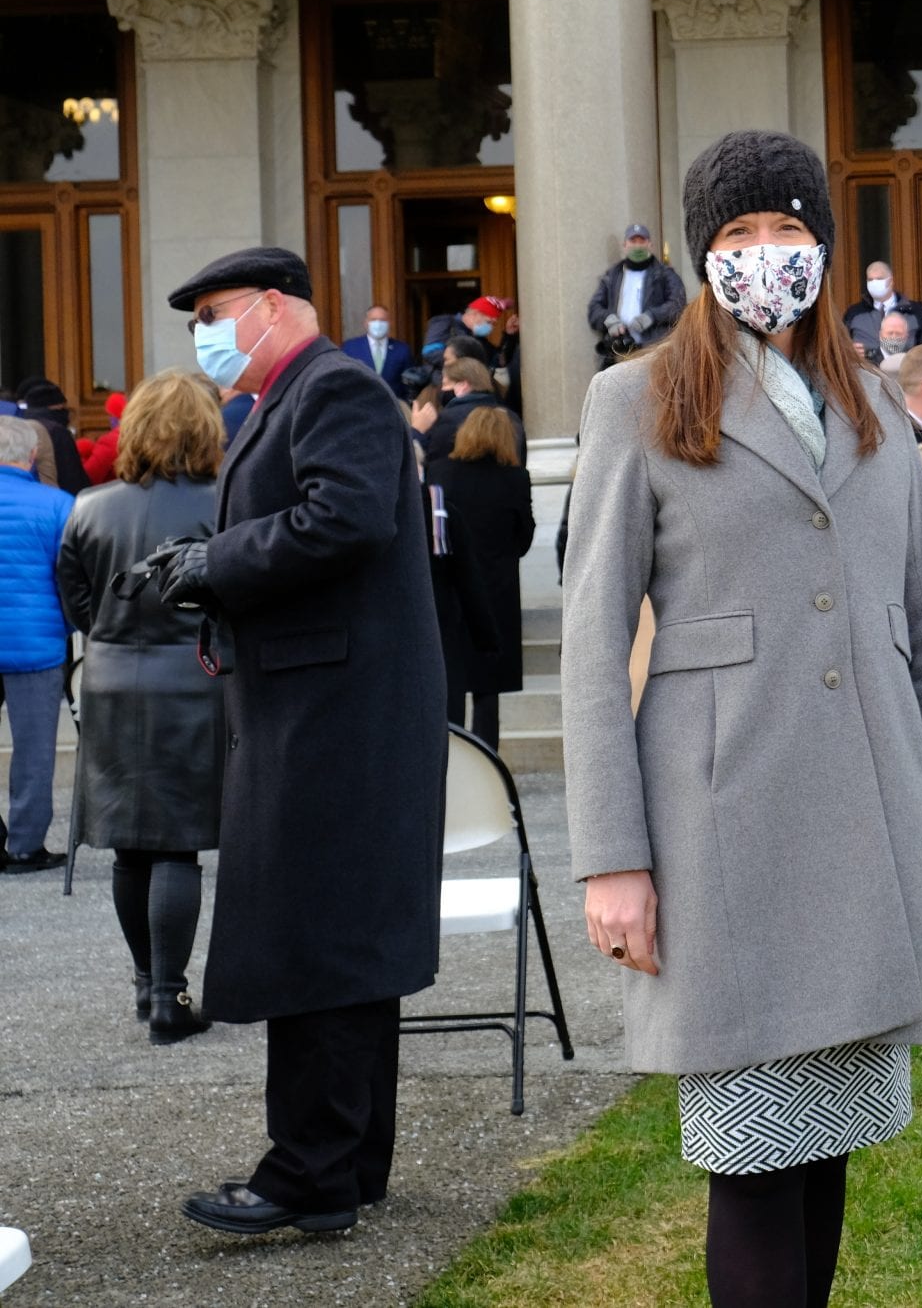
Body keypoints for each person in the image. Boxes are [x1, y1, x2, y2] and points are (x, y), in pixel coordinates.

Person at [562, 131, 922, 1308]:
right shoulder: (632, 398)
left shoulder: (877, 406)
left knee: (828, 1134)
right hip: (723, 817)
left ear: (825, 252)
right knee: (752, 1155)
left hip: (870, 809)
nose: (766, 256)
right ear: (703, 254)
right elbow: (594, 651)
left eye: (788, 232)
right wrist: (613, 858)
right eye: (739, 236)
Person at [148, 245, 444, 1237]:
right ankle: (347, 1167)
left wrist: (212, 562)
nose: (205, 334)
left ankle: (308, 1172)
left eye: (217, 312)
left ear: (275, 306)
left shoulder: (332, 388)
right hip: (322, 709)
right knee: (341, 944)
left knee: (317, 942)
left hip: (334, 717)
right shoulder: (294, 398)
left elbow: (344, 518)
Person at [53, 370, 226, 1037]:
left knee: (130, 847)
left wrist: (115, 634)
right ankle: (170, 997)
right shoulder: (225, 503)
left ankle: (147, 984)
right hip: (193, 680)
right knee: (178, 847)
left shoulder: (90, 506)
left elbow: (80, 601)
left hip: (111, 682)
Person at [428, 406, 536, 753]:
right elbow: (525, 538)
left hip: (452, 591)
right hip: (497, 591)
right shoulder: (515, 478)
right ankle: (487, 761)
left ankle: (455, 763)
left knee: (453, 684)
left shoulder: (440, 472)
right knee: (489, 690)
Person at [0, 416, 77, 872]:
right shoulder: (58, 505)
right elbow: (73, 578)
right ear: (30, 457)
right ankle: (25, 847)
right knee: (34, 750)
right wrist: (69, 626)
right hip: (37, 646)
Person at [589, 222, 689, 367]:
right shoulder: (612, 276)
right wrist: (609, 320)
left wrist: (651, 316)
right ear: (625, 245)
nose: (637, 246)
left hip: (653, 352)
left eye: (642, 241)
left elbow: (678, 304)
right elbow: (594, 308)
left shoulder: (665, 274)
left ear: (650, 245)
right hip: (619, 351)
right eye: (633, 241)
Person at [845, 259, 922, 357]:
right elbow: (840, 347)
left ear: (891, 281)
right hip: (866, 370)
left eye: (879, 279)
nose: (874, 283)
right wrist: (849, 352)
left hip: (905, 369)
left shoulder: (915, 311)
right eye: (870, 280)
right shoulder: (854, 313)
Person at [12, 380, 89, 496]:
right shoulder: (58, 432)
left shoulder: (15, 427)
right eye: (63, 406)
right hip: (54, 499)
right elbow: (72, 478)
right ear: (57, 406)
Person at [341, 305, 411, 390]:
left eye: (382, 320)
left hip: (393, 402)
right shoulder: (350, 348)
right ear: (366, 323)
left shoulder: (402, 350)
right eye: (373, 320)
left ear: (389, 323)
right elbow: (344, 379)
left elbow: (408, 383)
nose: (378, 324)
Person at [79, 390, 127, 486]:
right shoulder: (144, 437)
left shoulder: (111, 442)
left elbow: (87, 478)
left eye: (110, 415)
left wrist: (83, 456)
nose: (109, 420)